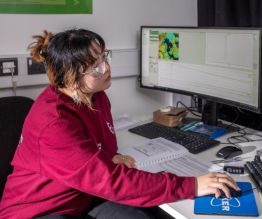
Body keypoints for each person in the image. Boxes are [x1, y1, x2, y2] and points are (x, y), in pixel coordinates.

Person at [0, 29, 239, 219]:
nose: (107, 69)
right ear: (72, 78)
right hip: (42, 210)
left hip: (82, 196)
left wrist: (107, 158)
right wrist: (192, 186)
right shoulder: (55, 122)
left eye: (104, 57)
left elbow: (91, 156)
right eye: (96, 67)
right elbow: (112, 182)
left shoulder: (95, 95)